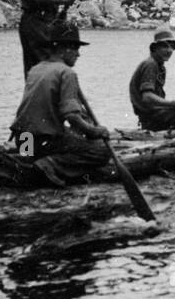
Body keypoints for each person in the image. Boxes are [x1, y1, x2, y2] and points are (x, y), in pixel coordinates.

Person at [11, 23, 113, 187]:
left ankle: (34, 163)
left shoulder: (36, 69)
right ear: (63, 49)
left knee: (30, 158)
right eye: (75, 48)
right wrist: (93, 131)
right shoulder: (67, 73)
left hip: (23, 139)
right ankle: (49, 165)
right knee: (101, 151)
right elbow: (71, 115)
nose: (78, 54)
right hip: (42, 140)